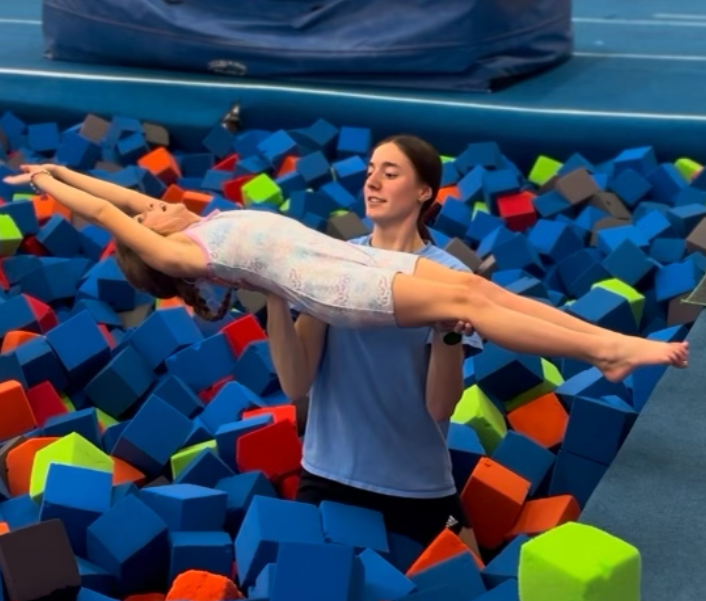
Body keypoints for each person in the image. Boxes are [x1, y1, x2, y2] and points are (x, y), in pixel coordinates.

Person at [5, 163, 689, 386]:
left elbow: (116, 195)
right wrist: (63, 194)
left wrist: (51, 171)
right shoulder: (179, 253)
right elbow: (105, 212)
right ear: (146, 244)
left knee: (476, 288)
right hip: (330, 289)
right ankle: (608, 349)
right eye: (149, 212)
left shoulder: (192, 223)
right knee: (468, 308)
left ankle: (608, 350)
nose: (156, 202)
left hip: (347, 260)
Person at [259, 135, 475, 545]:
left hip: (416, 487)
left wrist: (446, 332)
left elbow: (441, 406)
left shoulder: (452, 279)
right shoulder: (333, 262)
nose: (372, 181)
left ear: (423, 192)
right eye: (371, 170)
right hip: (328, 477)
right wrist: (273, 291)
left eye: (390, 173)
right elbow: (295, 383)